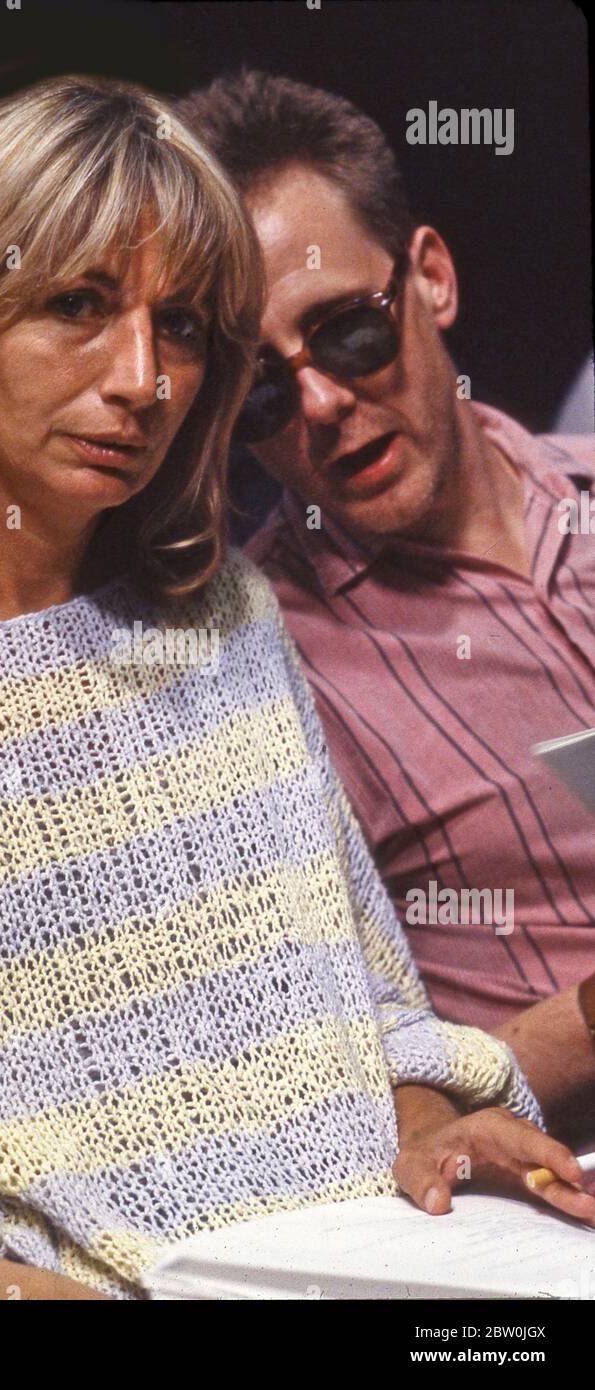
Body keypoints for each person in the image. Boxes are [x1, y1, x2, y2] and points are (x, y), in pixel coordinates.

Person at [0, 74, 591, 1305]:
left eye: (183, 327)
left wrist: (424, 1121)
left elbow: (362, 991)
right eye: (79, 304)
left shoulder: (221, 614)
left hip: (360, 1264)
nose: (142, 377)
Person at [176, 70, 595, 1144]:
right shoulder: (256, 671)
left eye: (348, 333)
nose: (317, 401)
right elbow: (326, 1093)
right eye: (259, 389)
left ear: (432, 278)